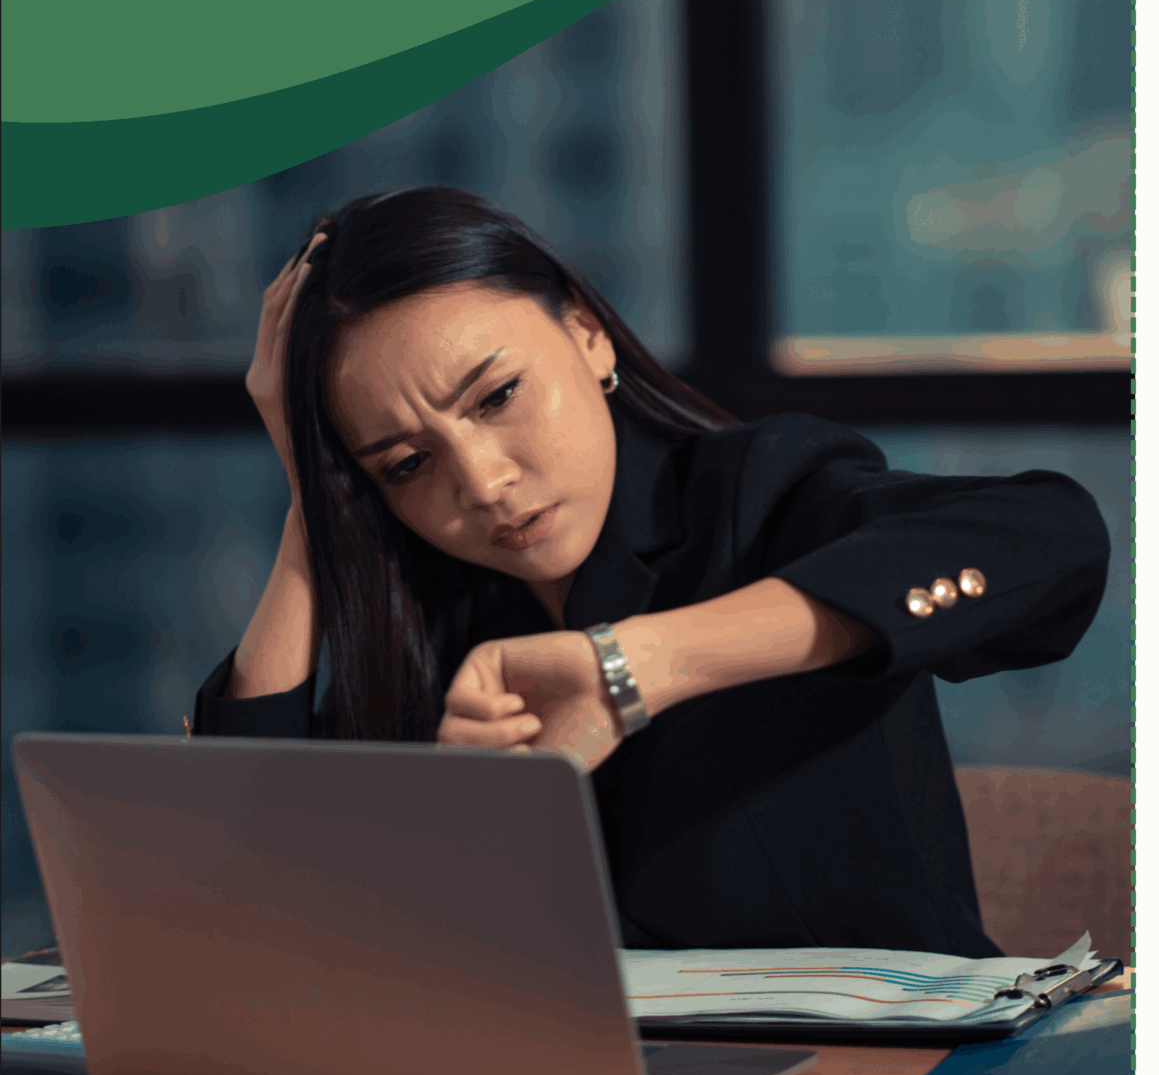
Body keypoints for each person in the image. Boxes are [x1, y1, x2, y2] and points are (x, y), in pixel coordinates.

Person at [191, 186, 1110, 956]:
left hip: (883, 1074)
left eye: (498, 396)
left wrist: (639, 667)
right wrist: (313, 502)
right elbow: (244, 899)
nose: (483, 482)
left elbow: (1051, 536)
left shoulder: (757, 491)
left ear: (587, 333)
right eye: (405, 463)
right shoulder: (428, 609)